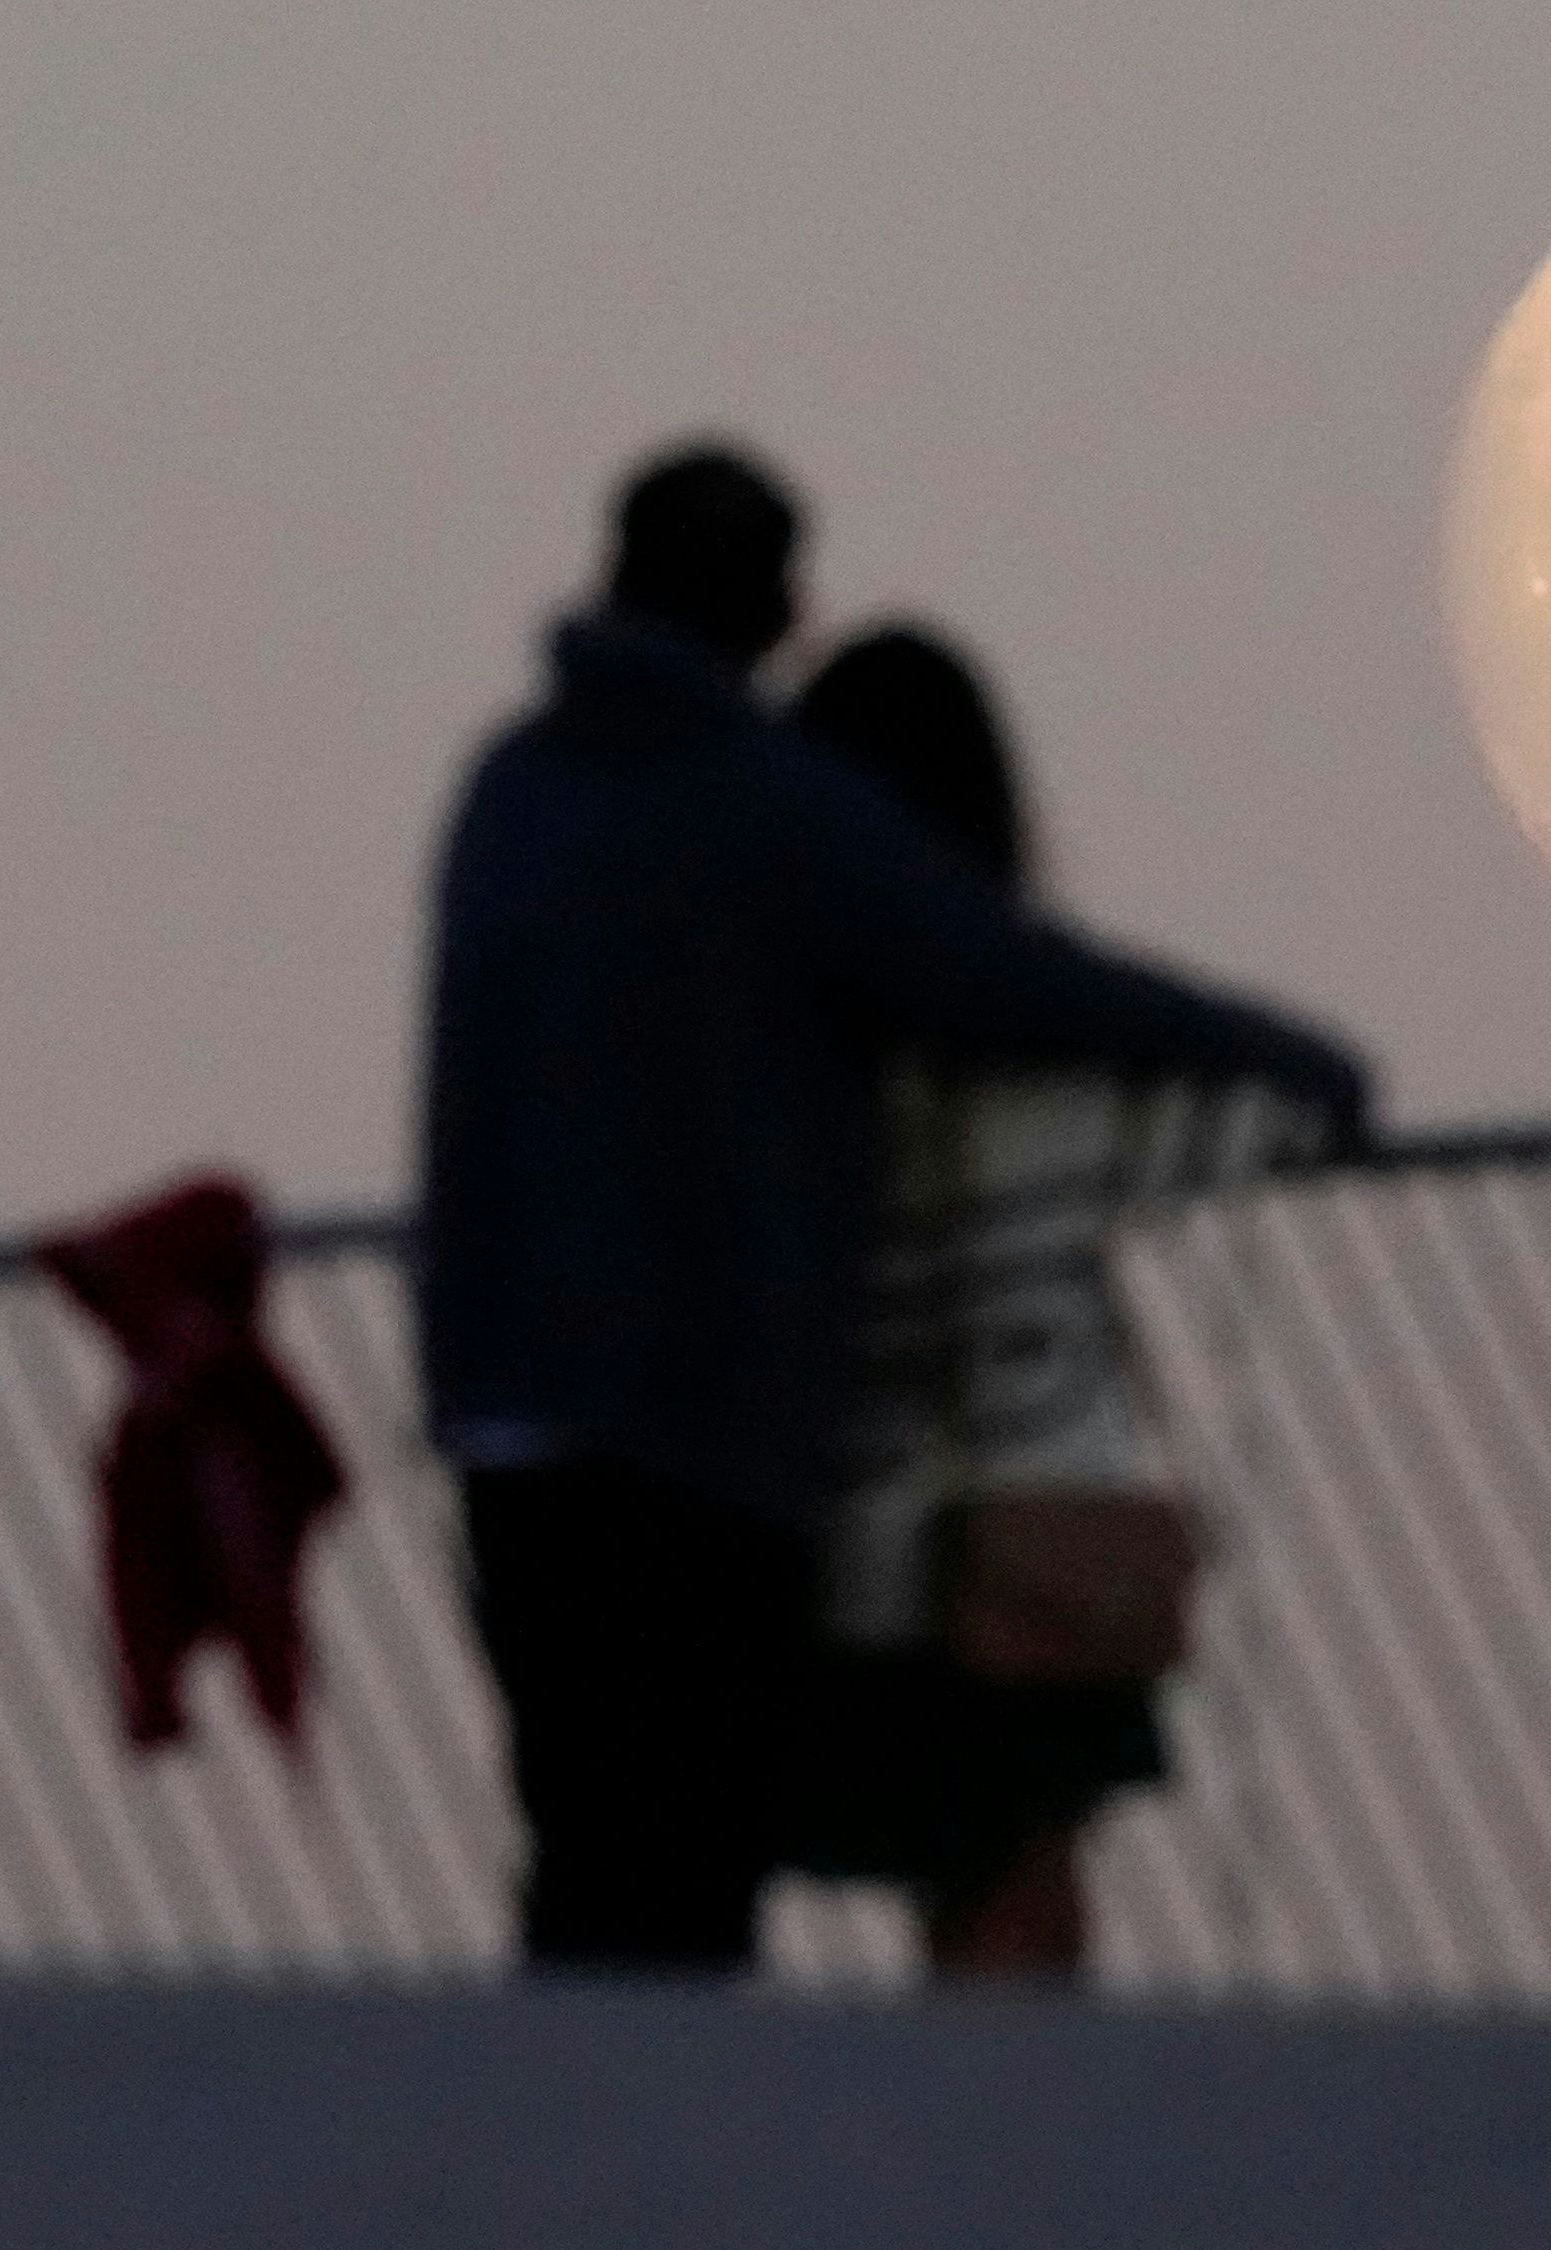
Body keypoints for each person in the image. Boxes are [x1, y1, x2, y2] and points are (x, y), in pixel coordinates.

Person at [417, 440, 1364, 1973]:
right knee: (699, 1861)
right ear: (767, 598)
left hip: (511, 1403)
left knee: (589, 1853)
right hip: (702, 1429)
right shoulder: (756, 805)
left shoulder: (508, 795)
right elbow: (1000, 978)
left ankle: (581, 2172)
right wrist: (1280, 1057)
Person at [781, 624, 1208, 1977]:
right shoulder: (1064, 1025)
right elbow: (1210, 1128)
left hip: (847, 1528)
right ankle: (1028, 2163)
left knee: (920, 1849)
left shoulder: (779, 1042)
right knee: (1028, 1880)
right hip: (1055, 1523)